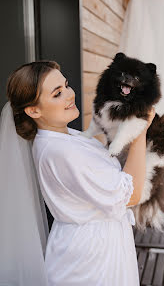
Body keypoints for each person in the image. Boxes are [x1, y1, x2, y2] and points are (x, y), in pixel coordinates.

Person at [1, 61, 155, 286]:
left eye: (66, 85)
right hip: (90, 259)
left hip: (96, 245)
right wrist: (141, 129)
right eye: (57, 94)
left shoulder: (67, 136)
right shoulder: (60, 151)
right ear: (34, 110)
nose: (69, 95)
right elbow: (131, 195)